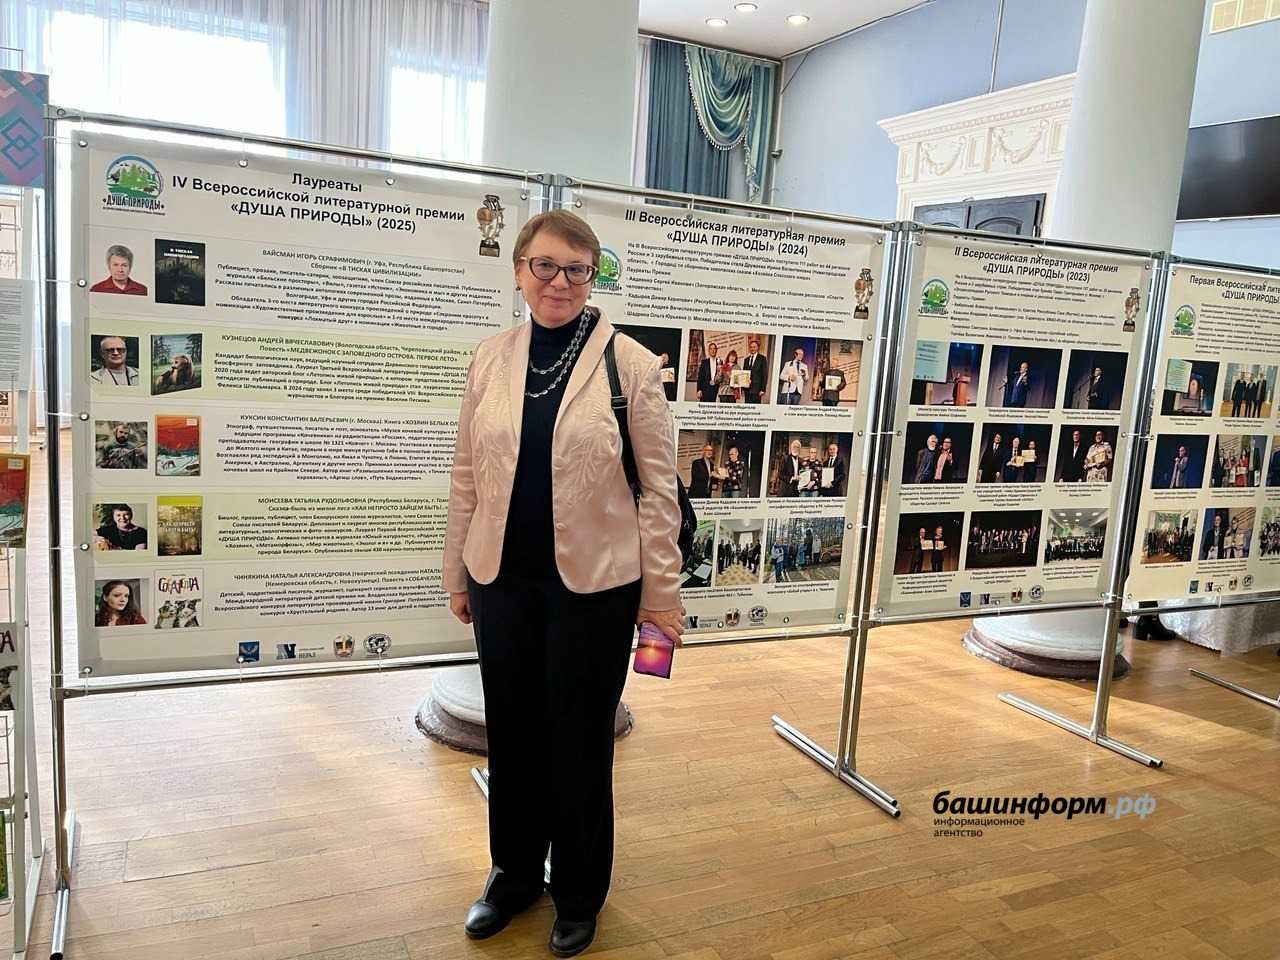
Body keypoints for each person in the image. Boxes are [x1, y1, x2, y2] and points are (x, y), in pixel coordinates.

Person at [442, 210, 683, 957]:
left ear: (594, 277)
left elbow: (659, 492)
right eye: (545, 266)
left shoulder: (630, 365)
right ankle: (513, 874)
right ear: (519, 270)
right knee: (512, 734)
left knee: (579, 741)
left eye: (578, 269)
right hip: (502, 581)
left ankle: (579, 891)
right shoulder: (490, 358)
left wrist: (661, 601)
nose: (560, 282)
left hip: (595, 589)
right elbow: (466, 473)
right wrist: (457, 571)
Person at [743, 338, 768, 403]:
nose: (752, 348)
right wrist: (743, 388)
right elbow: (744, 374)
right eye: (751, 347)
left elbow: (765, 375)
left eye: (754, 347)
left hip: (757, 390)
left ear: (758, 348)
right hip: (747, 389)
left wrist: (763, 389)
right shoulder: (746, 360)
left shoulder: (762, 358)